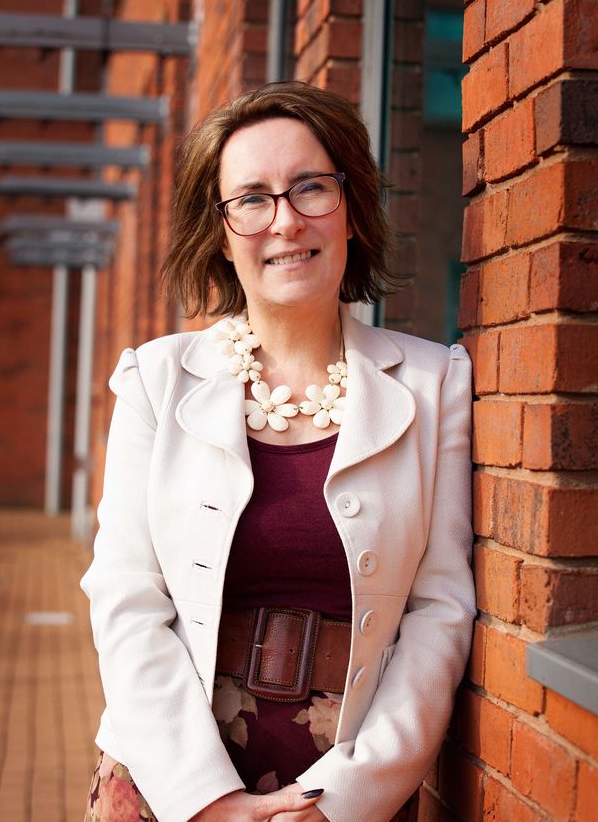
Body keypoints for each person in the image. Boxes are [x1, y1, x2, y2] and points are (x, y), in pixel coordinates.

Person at [81, 80, 475, 822]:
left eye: (310, 188)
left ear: (351, 208)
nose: (285, 222)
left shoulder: (434, 384)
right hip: (171, 777)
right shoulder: (155, 381)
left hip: (349, 778)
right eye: (252, 199)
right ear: (222, 232)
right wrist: (209, 802)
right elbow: (126, 600)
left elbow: (440, 610)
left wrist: (342, 804)